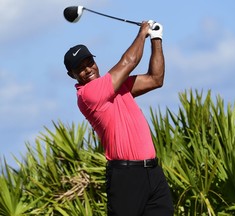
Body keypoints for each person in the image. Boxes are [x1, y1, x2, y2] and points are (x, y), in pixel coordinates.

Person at [64, 20, 174, 216]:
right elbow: (129, 62)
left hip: (153, 172)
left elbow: (156, 79)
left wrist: (156, 39)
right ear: (71, 75)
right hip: (126, 176)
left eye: (89, 62)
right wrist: (143, 33)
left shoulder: (118, 85)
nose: (88, 69)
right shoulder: (88, 95)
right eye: (80, 68)